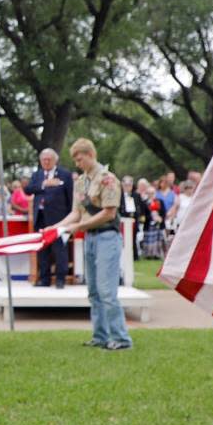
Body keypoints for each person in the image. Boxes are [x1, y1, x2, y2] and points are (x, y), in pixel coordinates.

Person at [55, 137, 132, 351]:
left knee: (107, 291)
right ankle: (100, 336)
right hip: (90, 238)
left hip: (107, 237)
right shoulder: (81, 182)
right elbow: (76, 212)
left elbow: (109, 213)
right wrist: (56, 227)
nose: (77, 164)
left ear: (91, 155)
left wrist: (79, 227)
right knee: (94, 291)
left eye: (80, 159)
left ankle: (121, 338)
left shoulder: (108, 179)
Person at [25, 148, 74, 288]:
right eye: (43, 160)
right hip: (40, 216)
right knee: (43, 248)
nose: (46, 162)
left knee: (59, 248)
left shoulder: (64, 174)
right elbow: (28, 189)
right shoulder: (37, 175)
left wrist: (70, 218)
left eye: (49, 159)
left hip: (58, 218)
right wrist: (44, 184)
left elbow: (70, 197)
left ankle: (60, 279)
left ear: (55, 160)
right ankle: (44, 279)